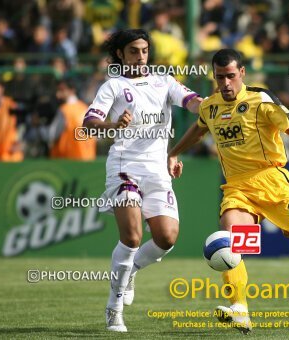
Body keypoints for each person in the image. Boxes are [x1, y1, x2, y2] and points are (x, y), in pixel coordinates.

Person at [168, 49, 289, 334]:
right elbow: (199, 129)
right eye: (219, 77)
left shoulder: (260, 99)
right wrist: (173, 153)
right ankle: (240, 309)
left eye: (230, 76)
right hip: (238, 187)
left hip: (273, 181)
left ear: (241, 74)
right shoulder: (210, 106)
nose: (225, 83)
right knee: (232, 243)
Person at [82, 29, 202, 332]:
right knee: (133, 237)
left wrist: (211, 106)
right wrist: (113, 123)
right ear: (121, 55)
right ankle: (114, 307)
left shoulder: (164, 81)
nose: (141, 56)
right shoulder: (113, 86)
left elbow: (191, 102)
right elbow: (89, 124)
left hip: (158, 169)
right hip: (124, 167)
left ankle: (131, 269)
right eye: (134, 51)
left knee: (166, 238)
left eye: (145, 50)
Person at [39, 79, 96, 160]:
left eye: (62, 90)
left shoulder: (65, 110)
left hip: (68, 161)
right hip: (88, 159)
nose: (58, 94)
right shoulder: (85, 108)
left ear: (71, 90)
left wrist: (39, 125)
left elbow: (51, 135)